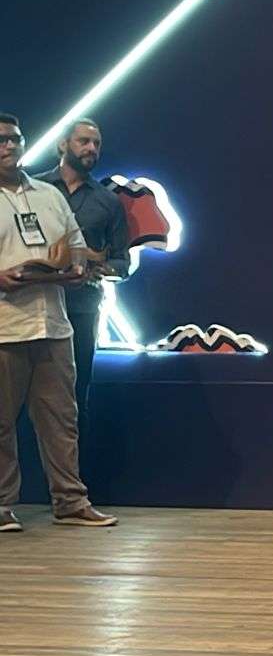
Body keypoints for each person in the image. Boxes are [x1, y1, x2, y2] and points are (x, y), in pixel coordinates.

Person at [0, 112, 116, 532]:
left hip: (53, 322)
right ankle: (2, 506)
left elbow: (77, 245)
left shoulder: (48, 194)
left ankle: (70, 501)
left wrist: (76, 267)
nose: (9, 146)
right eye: (1, 140)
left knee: (61, 418)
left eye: (15, 139)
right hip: (5, 327)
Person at [37, 119, 130, 436]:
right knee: (17, 397)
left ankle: (73, 467)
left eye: (97, 143)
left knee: (74, 398)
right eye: (84, 141)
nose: (91, 148)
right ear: (63, 144)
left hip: (81, 309)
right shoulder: (33, 190)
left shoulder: (108, 201)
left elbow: (122, 261)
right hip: (31, 306)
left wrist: (97, 267)